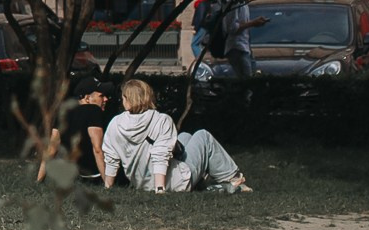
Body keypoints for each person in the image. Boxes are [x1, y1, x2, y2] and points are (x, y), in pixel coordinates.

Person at [100, 78, 251, 193]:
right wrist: (159, 189)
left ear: (129, 100)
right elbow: (160, 154)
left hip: (141, 183)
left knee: (185, 136)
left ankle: (204, 181)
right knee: (203, 136)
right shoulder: (160, 119)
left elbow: (111, 157)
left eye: (124, 97)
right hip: (175, 182)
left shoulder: (116, 123)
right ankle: (234, 179)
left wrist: (108, 187)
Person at [51, 74, 117, 181]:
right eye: (101, 96)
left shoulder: (64, 112)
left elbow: (51, 149)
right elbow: (97, 149)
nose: (106, 99)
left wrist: (39, 180)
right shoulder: (93, 111)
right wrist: (108, 183)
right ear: (87, 98)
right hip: (96, 175)